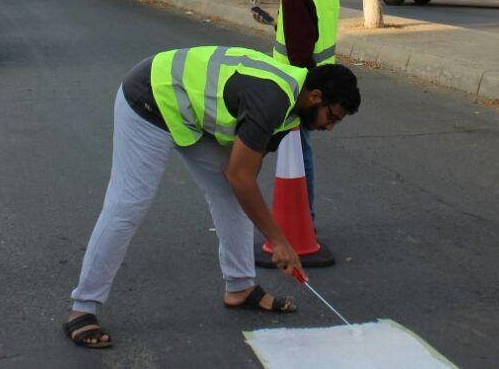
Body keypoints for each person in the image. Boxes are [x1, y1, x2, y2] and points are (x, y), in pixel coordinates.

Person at [65, 47, 360, 349]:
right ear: (315, 97)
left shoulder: (292, 110)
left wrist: (266, 222)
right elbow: (240, 177)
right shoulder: (272, 99)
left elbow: (244, 176)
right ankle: (83, 308)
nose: (330, 126)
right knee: (128, 204)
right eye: (331, 116)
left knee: (234, 197)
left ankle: (240, 287)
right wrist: (280, 241)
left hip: (189, 114)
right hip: (149, 98)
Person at [269, 0, 340, 217]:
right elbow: (313, 32)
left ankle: (300, 219)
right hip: (320, 80)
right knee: (299, 149)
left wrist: (303, 94)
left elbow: (299, 50)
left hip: (297, 84)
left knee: (297, 153)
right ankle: (301, 217)